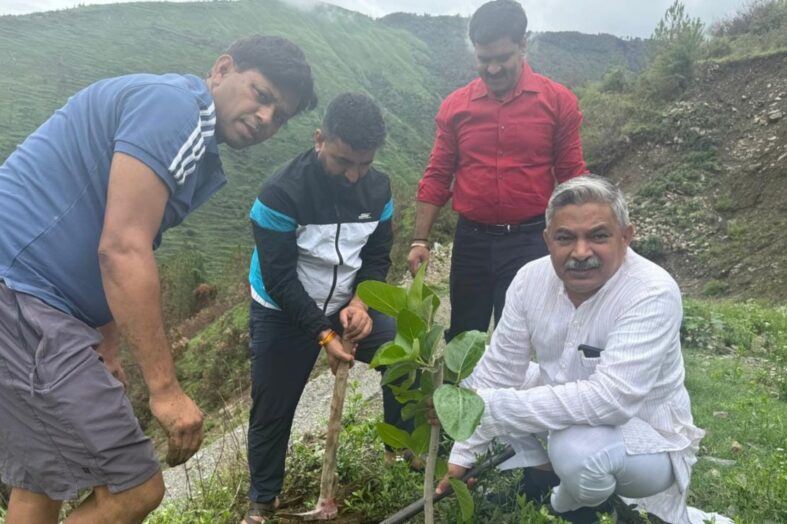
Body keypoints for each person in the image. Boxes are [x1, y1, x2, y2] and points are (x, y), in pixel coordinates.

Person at [0, 35, 317, 524]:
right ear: (223, 68)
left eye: (281, 115)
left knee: (42, 483)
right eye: (262, 94)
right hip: (23, 296)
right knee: (136, 486)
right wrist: (165, 389)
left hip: (31, 298)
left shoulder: (179, 117)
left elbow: (113, 235)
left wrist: (107, 341)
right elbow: (123, 248)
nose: (267, 118)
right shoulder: (179, 112)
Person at [435, 176, 714, 524]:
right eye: (566, 238)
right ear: (548, 239)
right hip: (567, 418)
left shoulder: (651, 291)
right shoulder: (529, 280)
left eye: (598, 236)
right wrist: (463, 454)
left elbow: (612, 400)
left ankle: (568, 504)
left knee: (578, 450)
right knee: (481, 379)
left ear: (626, 237)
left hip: (648, 440)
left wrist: (490, 408)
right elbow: (498, 372)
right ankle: (541, 475)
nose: (581, 253)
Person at [244, 93, 411, 523]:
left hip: (346, 303)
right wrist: (323, 334)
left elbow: (377, 254)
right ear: (319, 139)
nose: (354, 176)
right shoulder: (281, 193)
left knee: (404, 359)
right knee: (273, 405)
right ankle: (263, 501)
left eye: (364, 164)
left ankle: (402, 449)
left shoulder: (379, 189)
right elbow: (280, 279)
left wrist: (361, 302)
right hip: (284, 309)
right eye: (342, 162)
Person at [408, 0, 588, 341]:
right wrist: (420, 239)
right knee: (463, 334)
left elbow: (572, 175)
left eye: (501, 58)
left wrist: (587, 236)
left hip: (530, 239)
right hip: (471, 240)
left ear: (523, 45)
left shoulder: (557, 101)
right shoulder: (455, 107)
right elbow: (437, 175)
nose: (492, 69)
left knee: (519, 336)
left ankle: (510, 397)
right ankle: (461, 394)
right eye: (483, 59)